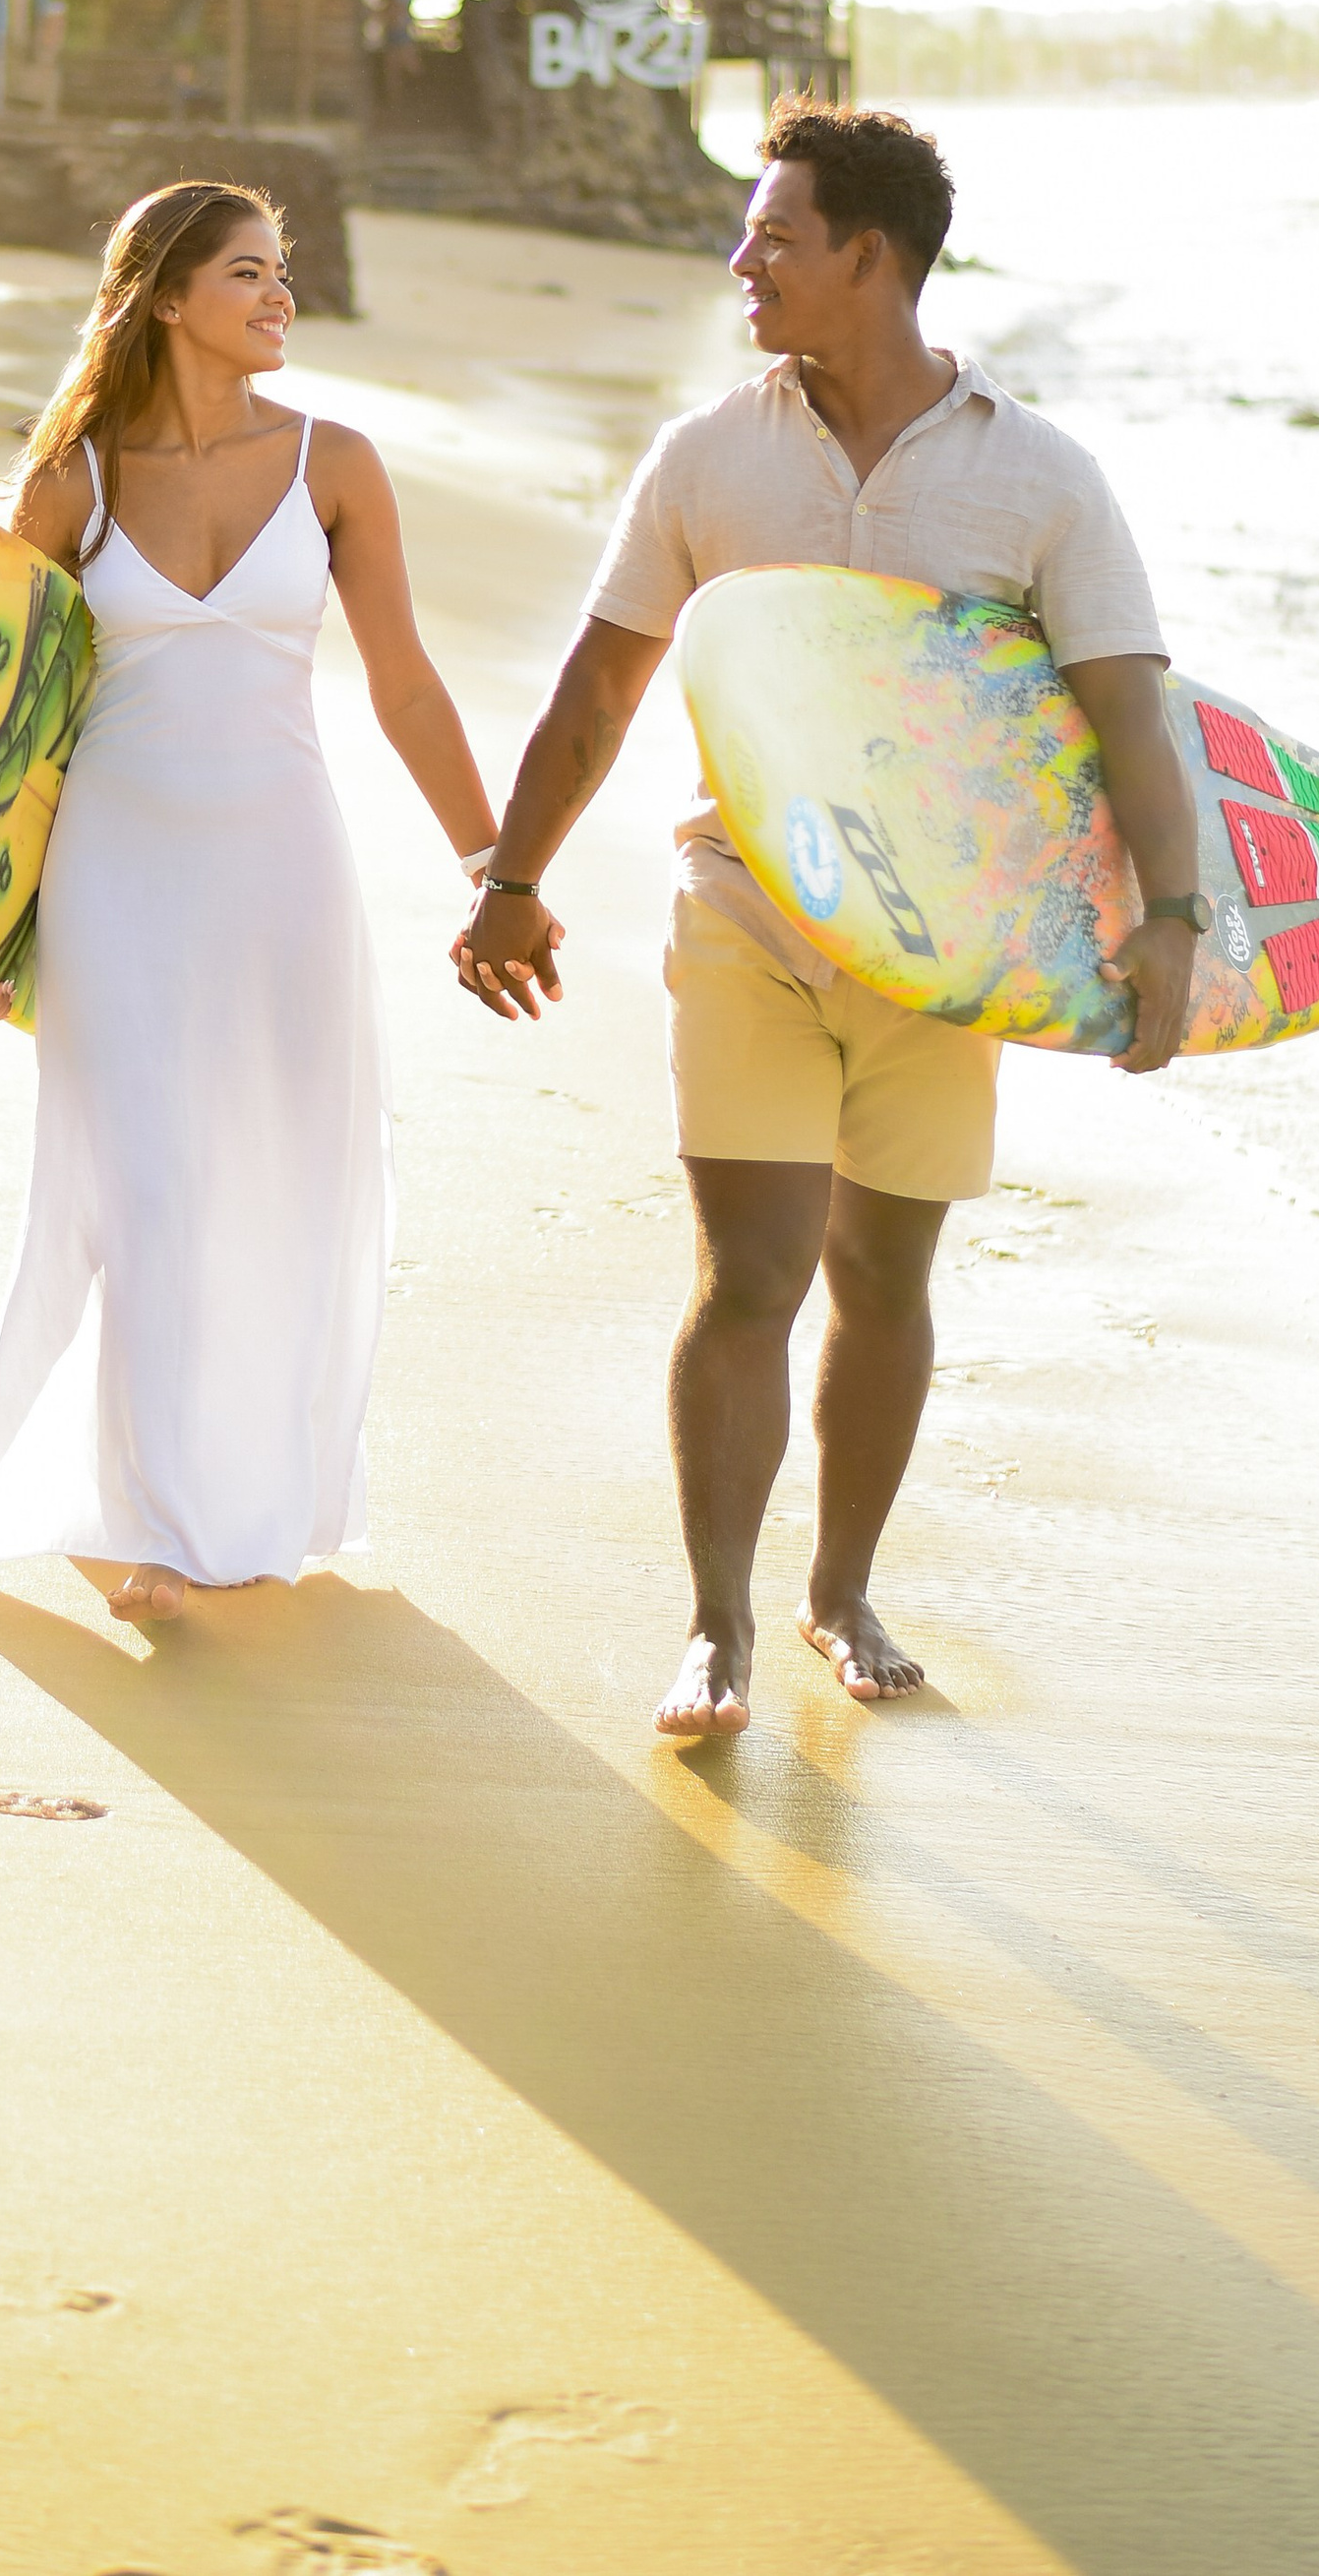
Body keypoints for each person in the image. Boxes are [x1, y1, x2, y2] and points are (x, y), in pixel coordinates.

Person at [453, 98, 1199, 1742]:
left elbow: (1127, 717)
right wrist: (511, 879)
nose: (744, 261)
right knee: (753, 1273)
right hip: (749, 909)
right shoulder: (708, 457)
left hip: (951, 949)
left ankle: (839, 1589)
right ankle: (716, 1622)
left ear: (871, 256)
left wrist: (1174, 917)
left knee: (882, 1271)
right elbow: (600, 686)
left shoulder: (1038, 475)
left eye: (775, 236)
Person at [0, 180, 517, 1622]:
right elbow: (4, 721)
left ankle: (231, 1491)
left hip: (280, 866)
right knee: (144, 1184)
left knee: (276, 1172)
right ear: (169, 296)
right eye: (249, 272)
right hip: (113, 871)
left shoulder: (335, 464)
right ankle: (160, 1530)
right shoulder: (75, 482)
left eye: (282, 272)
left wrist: (496, 868)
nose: (279, 296)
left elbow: (405, 684)